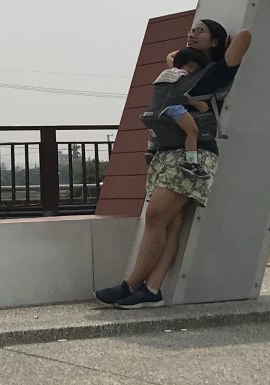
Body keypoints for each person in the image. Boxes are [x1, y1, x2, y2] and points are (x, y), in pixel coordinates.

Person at [95, 18, 251, 309]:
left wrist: (218, 46)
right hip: (167, 151)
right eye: (191, 30)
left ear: (215, 40)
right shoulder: (181, 73)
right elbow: (172, 57)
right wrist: (192, 52)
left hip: (195, 152)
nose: (192, 34)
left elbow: (245, 35)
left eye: (200, 31)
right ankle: (152, 289)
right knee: (169, 223)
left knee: (155, 217)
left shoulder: (217, 72)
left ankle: (131, 284)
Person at [150, 46, 213, 178]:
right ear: (182, 63)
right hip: (174, 107)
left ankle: (151, 147)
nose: (192, 71)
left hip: (156, 107)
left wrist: (186, 51)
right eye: (190, 66)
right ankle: (191, 162)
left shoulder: (171, 71)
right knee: (193, 131)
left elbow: (169, 56)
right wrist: (197, 103)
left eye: (195, 69)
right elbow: (181, 94)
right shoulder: (183, 76)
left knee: (159, 127)